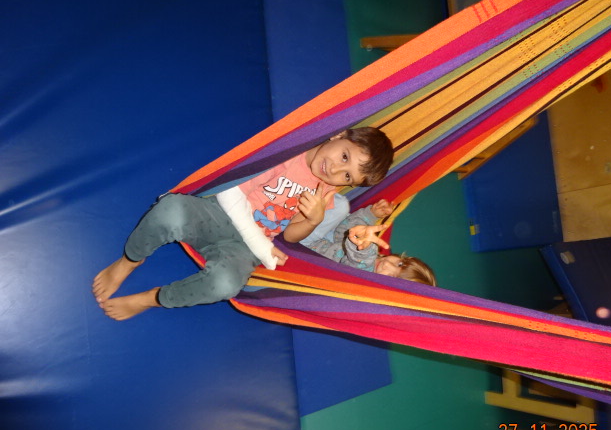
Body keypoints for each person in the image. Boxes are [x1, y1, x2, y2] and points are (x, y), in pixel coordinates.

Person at [92, 127, 394, 320]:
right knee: (170, 210)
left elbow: (290, 236)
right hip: (216, 213)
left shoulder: (325, 193)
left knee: (226, 285)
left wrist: (313, 220)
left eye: (347, 176)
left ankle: (152, 299)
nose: (336, 170)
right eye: (344, 156)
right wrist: (261, 246)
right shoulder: (292, 148)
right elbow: (230, 192)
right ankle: (130, 261)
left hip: (243, 249)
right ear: (338, 135)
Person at [309, 199, 436, 286]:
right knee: (341, 206)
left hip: (307, 246)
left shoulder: (364, 275)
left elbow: (361, 261)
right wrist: (371, 214)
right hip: (322, 234)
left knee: (340, 207)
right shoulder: (374, 252)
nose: (386, 264)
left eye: (393, 276)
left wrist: (365, 247)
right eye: (400, 264)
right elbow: (343, 232)